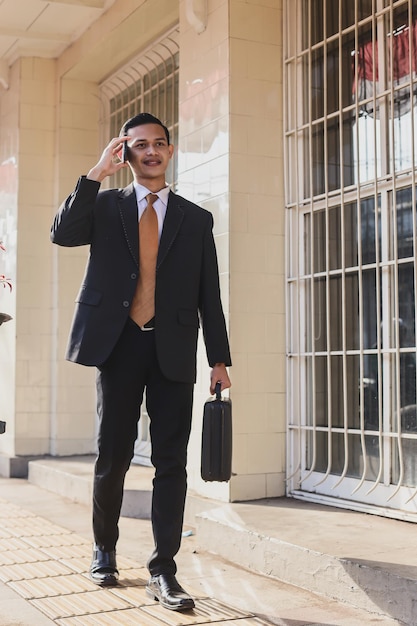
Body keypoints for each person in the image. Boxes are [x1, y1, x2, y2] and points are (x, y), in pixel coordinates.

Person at [51, 113, 232, 612]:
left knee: (171, 462)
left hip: (172, 346)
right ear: (126, 153)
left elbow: (209, 294)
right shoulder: (106, 205)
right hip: (119, 344)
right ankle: (104, 549)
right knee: (114, 455)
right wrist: (95, 173)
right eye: (139, 145)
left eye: (158, 144)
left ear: (170, 151)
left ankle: (164, 569)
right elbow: (62, 234)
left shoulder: (196, 218)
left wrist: (219, 357)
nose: (150, 152)